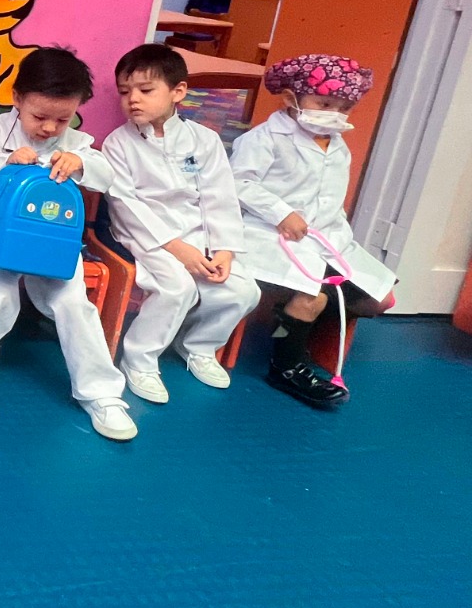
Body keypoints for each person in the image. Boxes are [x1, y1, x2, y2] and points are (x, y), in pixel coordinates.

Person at [0, 47, 137, 442]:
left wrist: (81, 163)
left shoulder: (77, 142)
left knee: (73, 303)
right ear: (17, 98)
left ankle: (101, 393)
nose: (50, 128)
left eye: (62, 119)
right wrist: (4, 163)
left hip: (52, 242)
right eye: (39, 117)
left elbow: (107, 176)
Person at [230, 53, 396, 408]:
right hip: (269, 234)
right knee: (313, 296)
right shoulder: (264, 138)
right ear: (290, 98)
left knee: (380, 299)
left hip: (325, 238)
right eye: (324, 104)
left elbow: (330, 201)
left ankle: (288, 326)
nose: (334, 114)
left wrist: (339, 235)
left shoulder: (338, 146)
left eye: (344, 108)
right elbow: (238, 183)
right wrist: (281, 212)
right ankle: (285, 365)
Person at [101, 44, 258, 404]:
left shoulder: (205, 140)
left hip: (199, 234)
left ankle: (198, 346)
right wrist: (177, 249)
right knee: (177, 288)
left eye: (145, 90)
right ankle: (139, 360)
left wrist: (224, 249)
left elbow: (220, 196)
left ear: (178, 91)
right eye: (125, 92)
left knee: (243, 291)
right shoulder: (118, 144)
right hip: (146, 236)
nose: (133, 100)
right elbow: (126, 205)